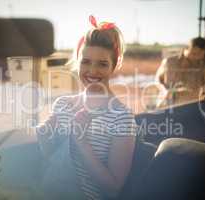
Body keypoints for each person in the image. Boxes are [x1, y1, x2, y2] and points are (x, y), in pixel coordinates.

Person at [34, 15, 136, 200]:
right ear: (77, 62)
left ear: (114, 65)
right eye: (85, 62)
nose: (92, 71)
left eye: (102, 64)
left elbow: (113, 190)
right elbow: (54, 161)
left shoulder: (122, 117)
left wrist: (82, 142)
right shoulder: (62, 104)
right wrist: (44, 139)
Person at [155, 37, 205, 105]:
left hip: (190, 107)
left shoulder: (203, 67)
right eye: (194, 53)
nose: (196, 57)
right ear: (186, 49)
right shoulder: (169, 62)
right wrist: (165, 91)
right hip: (167, 105)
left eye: (200, 55)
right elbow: (157, 80)